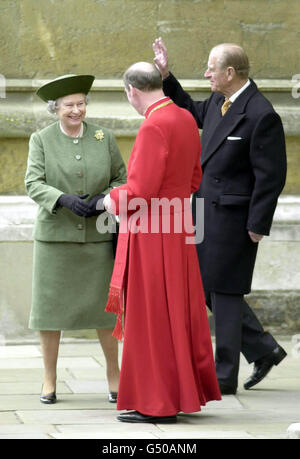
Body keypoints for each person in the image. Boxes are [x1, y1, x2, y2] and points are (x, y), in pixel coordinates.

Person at [152, 38, 287, 394]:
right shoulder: (218, 101)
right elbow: (189, 110)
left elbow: (270, 176)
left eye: (211, 68)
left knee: (225, 293)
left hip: (235, 219)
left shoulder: (262, 113)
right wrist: (166, 76)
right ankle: (263, 348)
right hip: (203, 213)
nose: (206, 73)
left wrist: (258, 224)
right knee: (204, 287)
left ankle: (223, 376)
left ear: (230, 72)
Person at [104, 62, 221, 424]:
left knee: (151, 316)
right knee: (177, 313)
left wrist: (112, 200)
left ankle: (157, 402)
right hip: (178, 229)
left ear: (132, 90)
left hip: (152, 233)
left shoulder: (154, 125)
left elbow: (140, 190)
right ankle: (180, 392)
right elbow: (193, 178)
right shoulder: (185, 118)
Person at [25, 74, 127, 404]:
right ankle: (49, 378)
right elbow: (33, 183)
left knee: (105, 312)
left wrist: (102, 201)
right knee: (49, 312)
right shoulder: (41, 140)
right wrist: (62, 199)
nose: (76, 110)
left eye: (81, 103)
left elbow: (121, 179)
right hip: (55, 241)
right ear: (56, 109)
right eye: (69, 105)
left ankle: (115, 374)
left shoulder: (104, 137)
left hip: (97, 239)